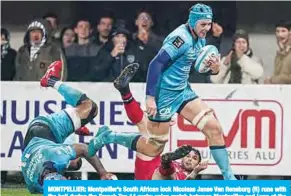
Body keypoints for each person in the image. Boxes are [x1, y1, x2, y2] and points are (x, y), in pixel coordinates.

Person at [90, 3, 236, 180]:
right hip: (164, 95)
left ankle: (230, 179)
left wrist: (214, 68)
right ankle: (110, 136)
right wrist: (150, 97)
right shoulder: (180, 39)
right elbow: (156, 64)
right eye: (203, 24)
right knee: (153, 148)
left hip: (183, 91)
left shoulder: (201, 37)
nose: (207, 28)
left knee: (214, 128)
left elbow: (194, 65)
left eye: (209, 24)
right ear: (193, 22)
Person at [21, 61, 115, 194]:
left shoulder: (56, 157)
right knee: (76, 164)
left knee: (90, 108)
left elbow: (84, 148)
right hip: (32, 147)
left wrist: (103, 173)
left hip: (45, 128)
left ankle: (51, 80)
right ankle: (72, 128)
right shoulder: (34, 186)